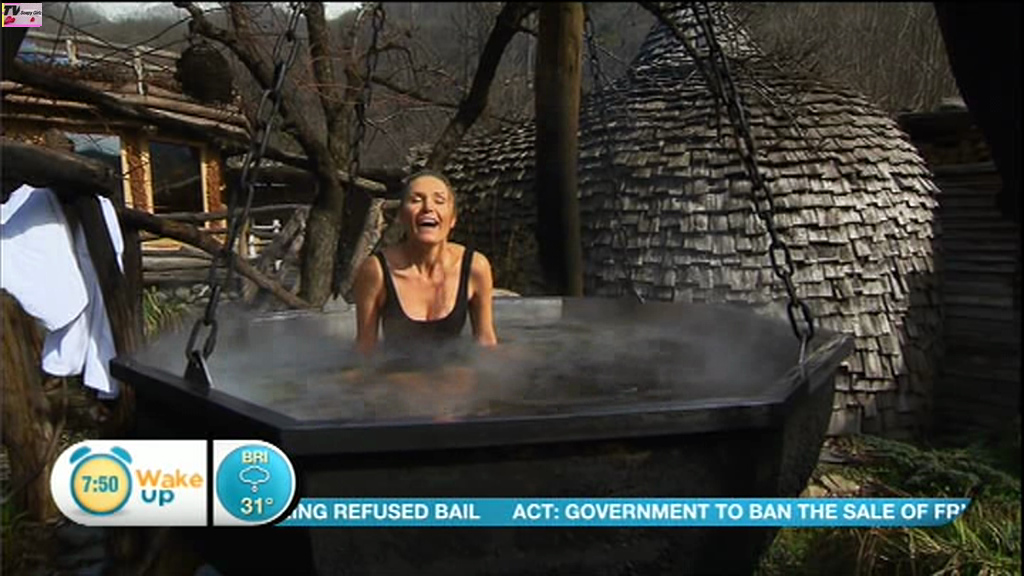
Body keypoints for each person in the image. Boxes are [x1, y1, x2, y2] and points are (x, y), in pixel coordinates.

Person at [352, 169, 498, 356]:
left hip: (455, 373)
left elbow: (486, 343)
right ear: (401, 216)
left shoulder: (475, 267)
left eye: (439, 201)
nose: (428, 207)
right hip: (397, 373)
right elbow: (365, 350)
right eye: (416, 200)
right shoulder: (376, 270)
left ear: (453, 218)